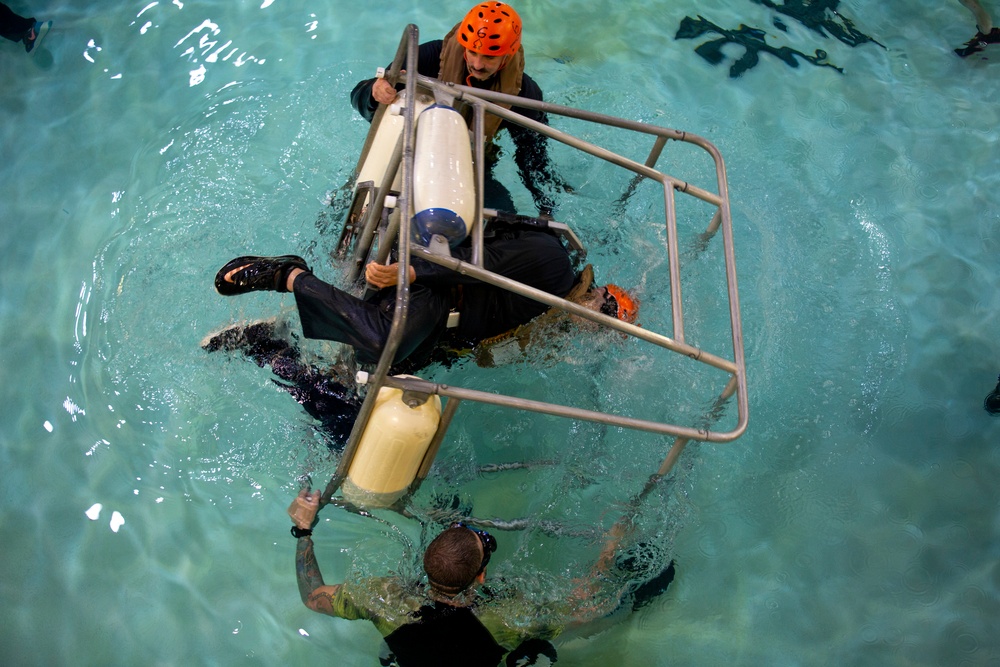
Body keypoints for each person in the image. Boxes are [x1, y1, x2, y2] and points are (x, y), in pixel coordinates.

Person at [287, 487, 675, 667]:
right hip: (486, 652)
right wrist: (609, 550)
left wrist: (304, 531)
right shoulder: (507, 618)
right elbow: (589, 605)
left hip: (411, 654)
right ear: (481, 576)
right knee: (633, 595)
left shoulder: (383, 598)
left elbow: (311, 596)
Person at [212, 226, 638, 371]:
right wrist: (412, 270)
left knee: (359, 382)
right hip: (432, 285)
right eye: (606, 315)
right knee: (385, 340)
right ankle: (287, 274)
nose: (596, 326)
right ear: (599, 293)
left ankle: (270, 340)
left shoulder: (550, 326)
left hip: (440, 329)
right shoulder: (553, 265)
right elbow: (480, 260)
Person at [350, 2, 570, 216]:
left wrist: (545, 207)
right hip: (406, 150)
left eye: (489, 57)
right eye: (472, 52)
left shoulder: (523, 94)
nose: (477, 64)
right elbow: (361, 99)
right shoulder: (428, 57)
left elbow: (532, 154)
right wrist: (374, 91)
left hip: (464, 164)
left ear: (508, 54)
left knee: (505, 218)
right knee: (350, 206)